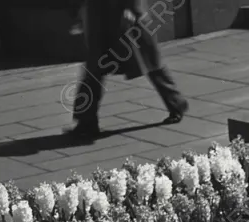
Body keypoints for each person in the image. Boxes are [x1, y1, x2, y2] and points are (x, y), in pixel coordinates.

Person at [66, 0, 188, 139]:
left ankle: (176, 103)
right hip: (99, 15)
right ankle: (86, 121)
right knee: (94, 69)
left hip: (122, 14)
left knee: (148, 60)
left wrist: (134, 9)